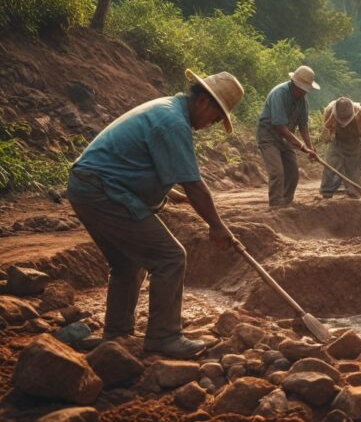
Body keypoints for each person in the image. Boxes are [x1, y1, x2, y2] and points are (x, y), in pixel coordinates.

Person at [67, 70, 243, 359]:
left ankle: (117, 334)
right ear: (203, 103)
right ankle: (164, 336)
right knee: (170, 257)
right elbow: (194, 184)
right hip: (102, 192)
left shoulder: (167, 110)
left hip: (89, 188)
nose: (210, 125)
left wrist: (171, 194)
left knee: (127, 262)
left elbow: (140, 162)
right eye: (214, 119)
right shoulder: (172, 121)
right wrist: (216, 225)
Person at [257, 65, 319, 208]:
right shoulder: (280, 93)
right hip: (269, 135)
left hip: (285, 137)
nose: (304, 92)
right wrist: (302, 147)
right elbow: (279, 126)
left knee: (293, 173)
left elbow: (303, 126)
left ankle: (286, 201)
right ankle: (275, 204)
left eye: (306, 89)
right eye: (302, 88)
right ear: (294, 83)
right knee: (277, 172)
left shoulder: (303, 101)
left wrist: (310, 148)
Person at [319, 97, 361, 198]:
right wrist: (328, 125)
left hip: (355, 144)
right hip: (338, 143)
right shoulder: (330, 111)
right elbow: (324, 139)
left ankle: (354, 193)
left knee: (354, 174)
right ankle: (326, 194)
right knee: (331, 166)